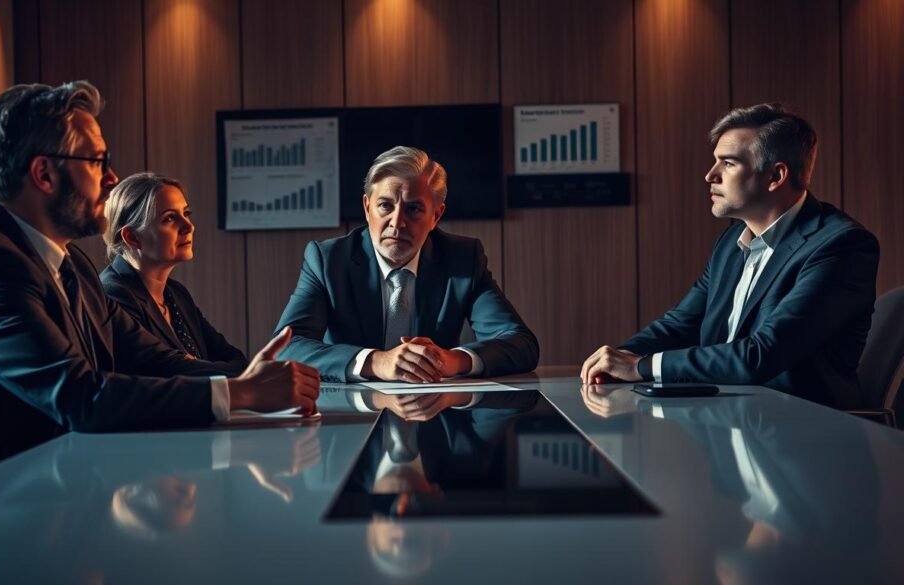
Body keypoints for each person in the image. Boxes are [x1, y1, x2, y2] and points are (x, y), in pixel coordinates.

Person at [0, 81, 319, 487]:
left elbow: (155, 358)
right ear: (44, 173)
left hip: (58, 488)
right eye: (97, 161)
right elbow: (82, 398)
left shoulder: (70, 262)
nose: (112, 178)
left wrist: (251, 377)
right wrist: (241, 393)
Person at [580, 103, 879, 409]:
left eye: (728, 163)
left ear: (775, 176)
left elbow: (762, 354)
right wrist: (616, 361)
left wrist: (640, 367)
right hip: (730, 419)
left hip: (803, 431)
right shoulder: (730, 242)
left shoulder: (841, 246)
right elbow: (680, 324)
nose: (710, 175)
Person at [273, 146, 539, 390]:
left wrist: (453, 360)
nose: (397, 222)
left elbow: (521, 344)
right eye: (385, 206)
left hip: (434, 416)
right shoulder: (328, 260)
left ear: (436, 216)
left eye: (413, 209)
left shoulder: (462, 259)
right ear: (367, 208)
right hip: (349, 416)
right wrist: (378, 362)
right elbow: (285, 349)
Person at [100, 172, 248, 372]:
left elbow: (236, 359)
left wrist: (193, 364)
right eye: (169, 218)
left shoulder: (177, 294)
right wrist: (192, 365)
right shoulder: (113, 295)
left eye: (186, 213)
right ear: (132, 237)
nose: (189, 226)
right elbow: (166, 372)